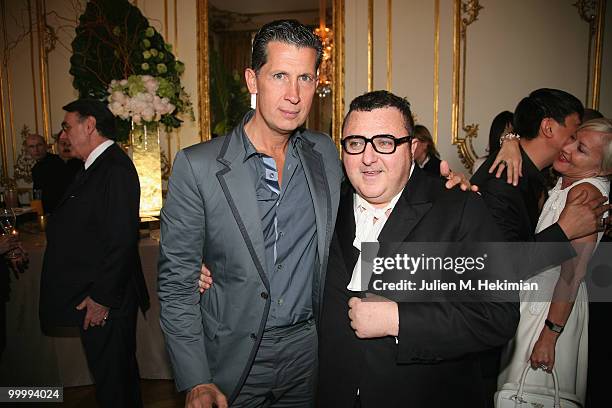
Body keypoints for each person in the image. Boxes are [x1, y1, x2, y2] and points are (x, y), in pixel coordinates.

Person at [158, 19, 343, 407]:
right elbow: (177, 285)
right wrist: (196, 380)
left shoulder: (324, 154)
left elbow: (375, 205)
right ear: (252, 80)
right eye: (280, 75)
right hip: (233, 360)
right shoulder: (198, 166)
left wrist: (450, 191)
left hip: (309, 354)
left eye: (305, 78)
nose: (294, 94)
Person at [315, 90, 519, 407]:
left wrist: (398, 320)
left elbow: (498, 315)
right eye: (355, 143)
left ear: (411, 148)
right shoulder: (327, 206)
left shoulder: (459, 206)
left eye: (384, 142)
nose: (368, 157)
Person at [472, 88, 610, 407]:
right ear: (549, 128)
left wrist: (550, 334)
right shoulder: (515, 175)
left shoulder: (581, 191)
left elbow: (572, 274)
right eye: (573, 134)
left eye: (580, 143)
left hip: (551, 310)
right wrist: (511, 141)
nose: (572, 143)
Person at [39, 99, 149, 407]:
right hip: (97, 296)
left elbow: (121, 239)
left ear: (90, 126)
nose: (62, 135)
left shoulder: (113, 168)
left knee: (115, 384)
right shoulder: (96, 166)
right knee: (113, 381)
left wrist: (102, 298)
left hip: (104, 301)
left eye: (67, 126)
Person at [27, 133, 67, 214]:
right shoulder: (35, 168)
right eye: (32, 146)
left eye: (39, 145)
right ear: (27, 150)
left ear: (46, 146)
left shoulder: (59, 162)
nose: (36, 150)